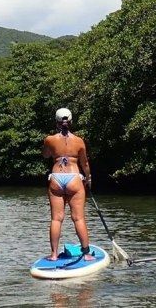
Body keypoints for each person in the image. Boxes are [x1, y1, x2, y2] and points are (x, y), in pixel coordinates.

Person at [42, 107, 94, 261]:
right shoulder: (79, 141)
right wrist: (89, 178)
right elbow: (84, 164)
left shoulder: (49, 139)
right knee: (78, 218)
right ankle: (86, 254)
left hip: (56, 178)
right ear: (70, 122)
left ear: (56, 122)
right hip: (74, 178)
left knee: (56, 219)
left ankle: (53, 255)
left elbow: (45, 155)